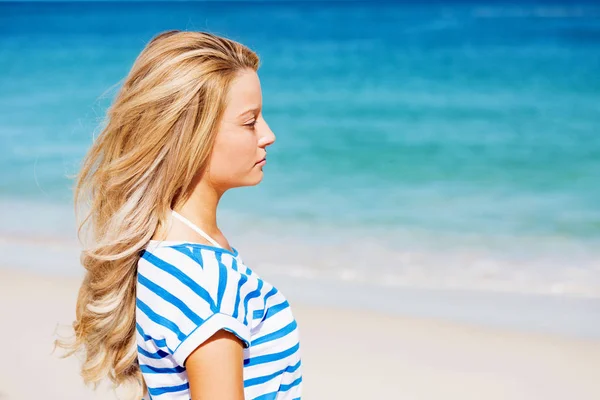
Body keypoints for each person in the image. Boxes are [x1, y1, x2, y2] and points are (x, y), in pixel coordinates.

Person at [55, 30, 302, 400]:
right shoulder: (207, 282)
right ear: (192, 136)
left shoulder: (168, 250)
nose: (268, 135)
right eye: (250, 122)